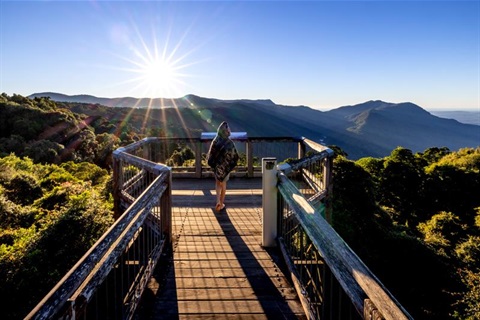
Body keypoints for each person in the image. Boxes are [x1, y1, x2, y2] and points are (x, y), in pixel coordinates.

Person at [207, 121, 239, 212]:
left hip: (217, 167)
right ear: (225, 131)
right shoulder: (229, 142)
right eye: (228, 128)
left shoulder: (215, 140)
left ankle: (217, 201)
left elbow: (211, 155)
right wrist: (228, 163)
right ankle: (221, 204)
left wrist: (215, 164)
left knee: (218, 183)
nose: (229, 129)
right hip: (225, 167)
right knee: (223, 184)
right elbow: (234, 156)